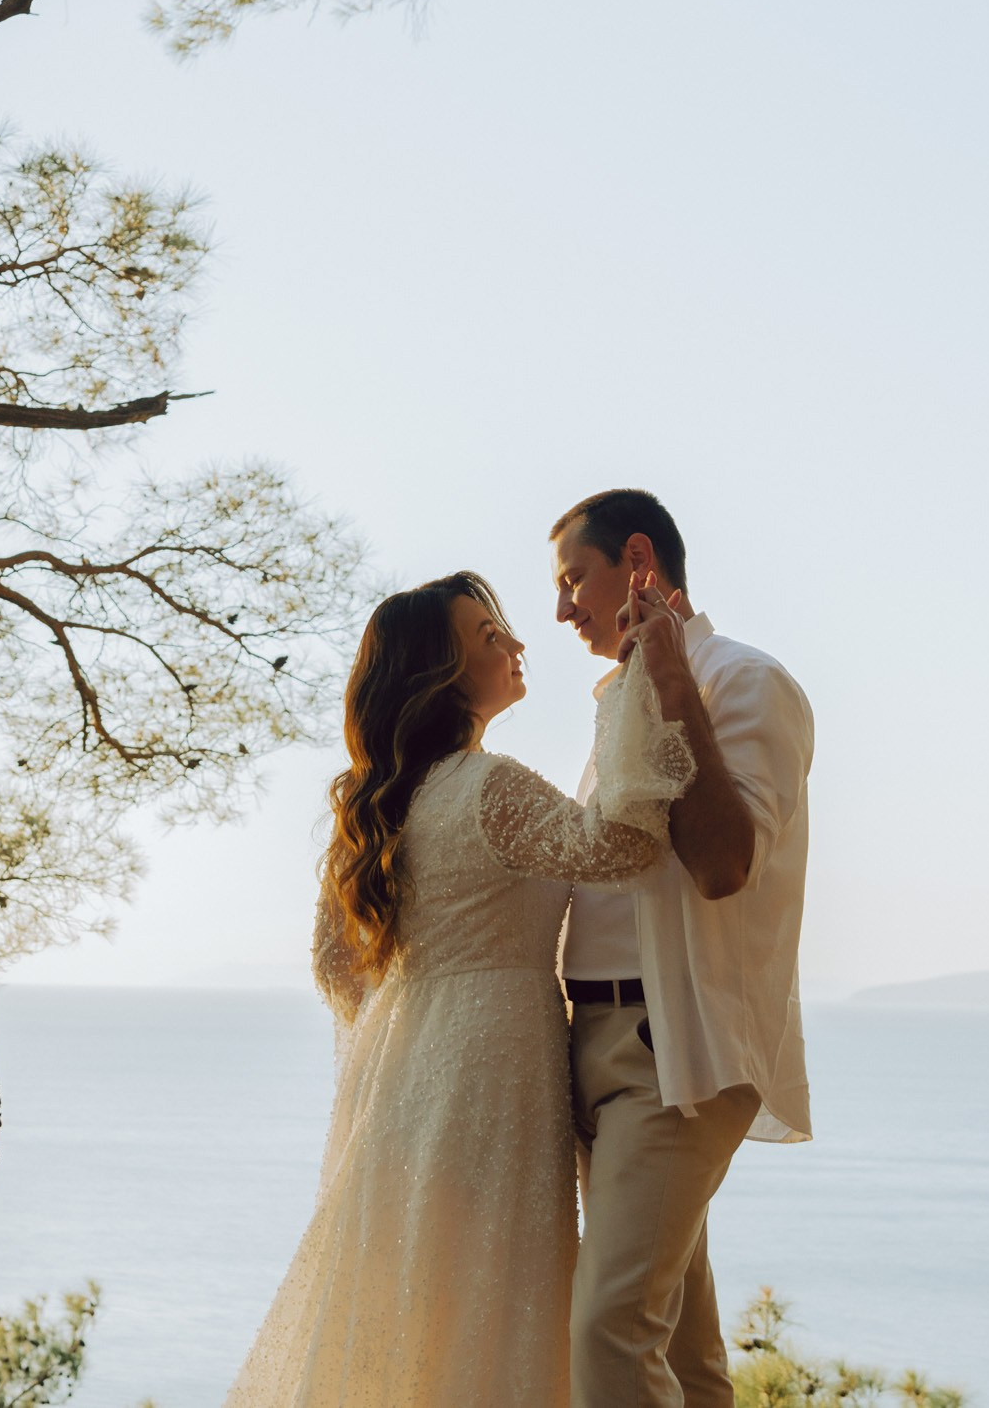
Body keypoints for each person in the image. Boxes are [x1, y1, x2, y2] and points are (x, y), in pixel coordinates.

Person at [223, 570, 696, 1408]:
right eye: (488, 636)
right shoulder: (488, 786)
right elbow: (624, 847)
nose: (515, 643)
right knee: (492, 1295)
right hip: (495, 1065)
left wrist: (411, 1016)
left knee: (415, 1299)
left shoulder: (375, 803)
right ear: (437, 672)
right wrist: (633, 689)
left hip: (404, 1074)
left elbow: (338, 969)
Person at [549, 489, 816, 1408]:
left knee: (608, 1329)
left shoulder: (747, 682)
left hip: (675, 1052)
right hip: (599, 1046)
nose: (561, 609)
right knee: (691, 1356)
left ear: (637, 561)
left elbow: (724, 862)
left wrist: (670, 684)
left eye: (573, 579)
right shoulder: (612, 701)